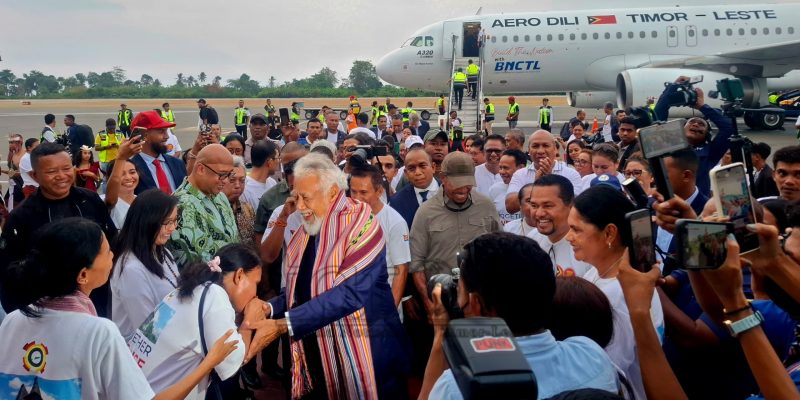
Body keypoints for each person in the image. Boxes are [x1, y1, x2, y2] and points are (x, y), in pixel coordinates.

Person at [249, 153, 410, 399]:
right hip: (318, 349)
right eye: (296, 196)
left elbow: (349, 294)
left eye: (306, 198)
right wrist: (268, 308)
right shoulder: (307, 230)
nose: (299, 206)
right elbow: (301, 289)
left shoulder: (363, 225)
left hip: (367, 351)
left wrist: (284, 324)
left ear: (333, 193)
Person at [420, 232, 619, 400]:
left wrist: (441, 335)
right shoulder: (591, 355)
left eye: (460, 292)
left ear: (476, 305)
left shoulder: (458, 388)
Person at [0, 219, 158, 399]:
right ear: (83, 274)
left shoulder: (12, 320)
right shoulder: (100, 333)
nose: (112, 255)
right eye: (107, 251)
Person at [566, 185, 664, 400]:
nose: (568, 237)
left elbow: (606, 370)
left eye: (576, 230)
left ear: (609, 232)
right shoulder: (602, 273)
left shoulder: (619, 295)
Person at [131, 244, 267, 399]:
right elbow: (232, 361)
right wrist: (249, 322)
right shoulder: (215, 296)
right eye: (256, 283)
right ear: (239, 275)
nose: (256, 293)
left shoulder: (196, 288)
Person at [409, 152, 501, 375]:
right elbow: (417, 265)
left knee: (482, 362)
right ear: (443, 178)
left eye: (468, 184)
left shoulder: (486, 206)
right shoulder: (425, 213)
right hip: (444, 302)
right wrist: (431, 306)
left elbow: (499, 249)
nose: (463, 189)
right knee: (445, 364)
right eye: (457, 184)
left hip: (479, 303)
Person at [111, 189, 180, 340]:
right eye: (167, 222)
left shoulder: (163, 252)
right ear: (147, 222)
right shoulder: (131, 269)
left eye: (175, 220)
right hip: (143, 346)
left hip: (171, 335)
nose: (172, 228)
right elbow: (148, 328)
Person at [654, 76, 735, 196]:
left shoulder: (711, 152)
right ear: (682, 129)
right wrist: (673, 86)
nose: (696, 124)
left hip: (698, 204)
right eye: (692, 122)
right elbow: (658, 116)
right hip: (668, 200)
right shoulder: (669, 145)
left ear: (706, 135)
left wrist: (702, 106)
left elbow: (728, 127)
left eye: (701, 124)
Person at [350, 165, 410, 307]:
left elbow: (401, 270)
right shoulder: (346, 218)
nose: (357, 198)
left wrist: (391, 311)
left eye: (363, 192)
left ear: (379, 191)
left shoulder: (395, 222)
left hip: (381, 304)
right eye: (353, 192)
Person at [169, 144, 238, 267]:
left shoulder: (220, 196)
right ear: (201, 169)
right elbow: (198, 261)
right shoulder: (182, 205)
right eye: (222, 174)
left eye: (229, 175)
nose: (226, 181)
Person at [528, 174, 594, 277]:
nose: (539, 213)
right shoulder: (532, 239)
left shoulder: (589, 248)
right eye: (534, 205)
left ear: (571, 206)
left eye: (548, 206)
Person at [506, 130, 583, 214]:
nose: (540, 151)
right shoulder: (520, 174)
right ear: (529, 150)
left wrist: (550, 181)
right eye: (535, 146)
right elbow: (510, 206)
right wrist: (535, 185)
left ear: (554, 149)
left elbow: (577, 207)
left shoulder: (570, 174)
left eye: (546, 146)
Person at [253, 142, 308, 245]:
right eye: (288, 166)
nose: (294, 169)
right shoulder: (269, 198)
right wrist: (282, 218)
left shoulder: (323, 194)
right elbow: (261, 242)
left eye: (299, 163)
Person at [129, 111, 186, 195]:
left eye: (166, 131)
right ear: (145, 136)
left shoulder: (178, 164)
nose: (167, 136)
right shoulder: (131, 170)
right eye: (161, 131)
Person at [389, 148, 439, 229]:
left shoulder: (449, 192)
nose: (418, 172)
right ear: (406, 173)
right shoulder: (396, 202)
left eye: (422, 166)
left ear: (433, 167)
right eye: (411, 168)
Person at [105, 138, 140, 229]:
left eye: (132, 172)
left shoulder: (144, 201)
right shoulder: (103, 201)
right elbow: (110, 201)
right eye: (121, 174)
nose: (128, 177)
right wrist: (121, 157)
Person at [224, 156, 257, 248]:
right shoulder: (215, 211)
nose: (238, 185)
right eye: (232, 180)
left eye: (242, 180)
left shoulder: (248, 209)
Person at [489, 149, 527, 225]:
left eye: (506, 168)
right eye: (500, 168)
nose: (501, 172)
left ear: (521, 168)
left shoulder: (531, 190)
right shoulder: (494, 189)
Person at [241, 140, 279, 212]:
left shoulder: (272, 183)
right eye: (277, 158)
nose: (279, 161)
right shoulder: (244, 188)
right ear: (270, 162)